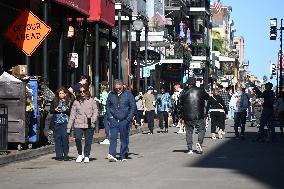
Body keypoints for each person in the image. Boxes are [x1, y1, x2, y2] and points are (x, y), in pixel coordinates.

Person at [105, 79, 136, 162]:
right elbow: (107, 106)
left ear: (122, 86)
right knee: (113, 137)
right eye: (116, 89)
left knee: (124, 138)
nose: (118, 90)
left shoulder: (128, 94)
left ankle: (123, 155)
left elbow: (133, 106)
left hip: (124, 119)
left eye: (119, 88)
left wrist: (128, 118)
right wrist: (110, 116)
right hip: (114, 119)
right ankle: (112, 154)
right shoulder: (111, 94)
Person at [67, 84, 98, 163]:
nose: (82, 93)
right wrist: (69, 127)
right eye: (80, 91)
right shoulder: (76, 102)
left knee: (88, 140)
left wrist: (93, 119)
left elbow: (95, 111)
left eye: (84, 91)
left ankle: (87, 155)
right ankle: (80, 154)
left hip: (89, 123)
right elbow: (72, 115)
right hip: (78, 123)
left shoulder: (91, 100)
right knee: (77, 138)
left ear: (87, 91)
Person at [179, 77, 209, 154]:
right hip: (198, 114)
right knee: (201, 129)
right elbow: (207, 97)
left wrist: (180, 115)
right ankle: (199, 142)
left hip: (187, 115)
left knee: (189, 132)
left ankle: (190, 149)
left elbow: (179, 104)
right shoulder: (200, 90)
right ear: (195, 83)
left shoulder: (184, 92)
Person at [50, 87, 71, 161]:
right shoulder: (55, 100)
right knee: (57, 138)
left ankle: (65, 154)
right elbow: (51, 110)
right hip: (56, 122)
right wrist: (55, 109)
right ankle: (59, 155)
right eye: (60, 93)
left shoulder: (68, 101)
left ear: (65, 94)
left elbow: (71, 111)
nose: (61, 95)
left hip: (65, 122)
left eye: (62, 93)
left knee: (65, 138)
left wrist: (65, 110)